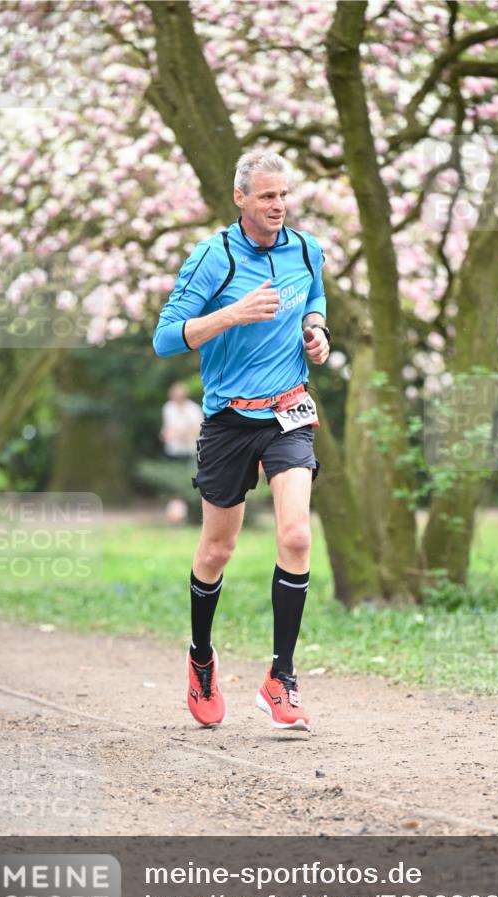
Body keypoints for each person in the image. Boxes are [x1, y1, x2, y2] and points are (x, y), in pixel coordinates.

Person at [153, 149, 330, 732]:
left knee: (298, 536)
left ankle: (281, 678)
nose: (278, 206)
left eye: (283, 195)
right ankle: (201, 658)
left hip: (288, 410)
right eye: (266, 196)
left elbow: (315, 300)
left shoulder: (306, 249)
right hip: (229, 420)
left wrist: (315, 331)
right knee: (216, 550)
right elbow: (166, 338)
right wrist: (232, 314)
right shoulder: (212, 259)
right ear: (241, 199)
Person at [160, 382, 203, 461]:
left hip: (190, 451)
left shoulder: (194, 409)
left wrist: (179, 433)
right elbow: (167, 428)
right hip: (172, 450)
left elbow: (200, 430)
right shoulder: (168, 408)